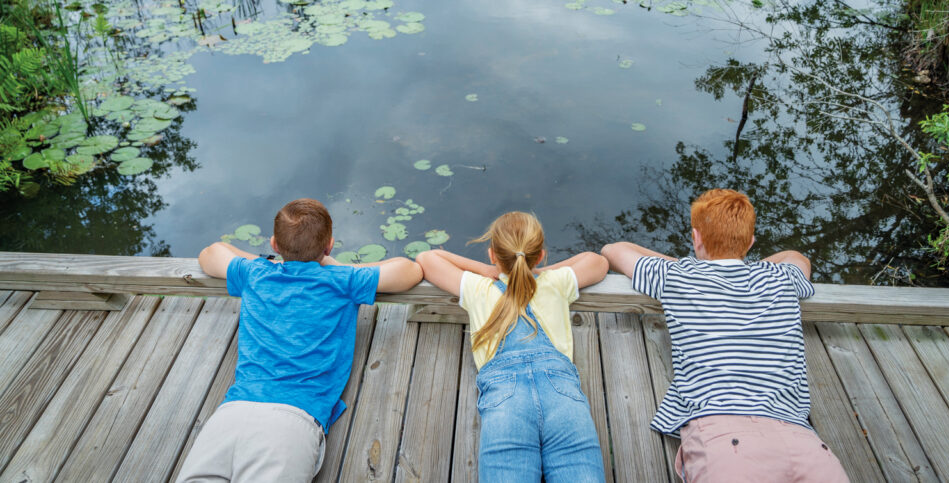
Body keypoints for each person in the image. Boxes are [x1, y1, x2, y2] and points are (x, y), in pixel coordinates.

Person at [601, 189, 848, 483]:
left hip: (724, 436)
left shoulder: (678, 276)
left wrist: (686, 264)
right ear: (751, 241)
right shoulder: (781, 277)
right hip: (801, 440)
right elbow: (797, 258)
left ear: (696, 237)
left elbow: (613, 250)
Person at [177, 198, 423, 483]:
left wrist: (265, 261)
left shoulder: (256, 273)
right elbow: (409, 270)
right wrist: (335, 266)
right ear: (329, 245)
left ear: (274, 244)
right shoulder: (342, 280)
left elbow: (212, 252)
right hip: (291, 420)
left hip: (232, 412)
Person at [416, 211, 608, 483]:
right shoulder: (556, 283)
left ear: (492, 254)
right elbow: (597, 261)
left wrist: (487, 270)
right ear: (541, 255)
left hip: (505, 401)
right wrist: (535, 271)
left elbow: (427, 258)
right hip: (562, 395)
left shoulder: (478, 287)